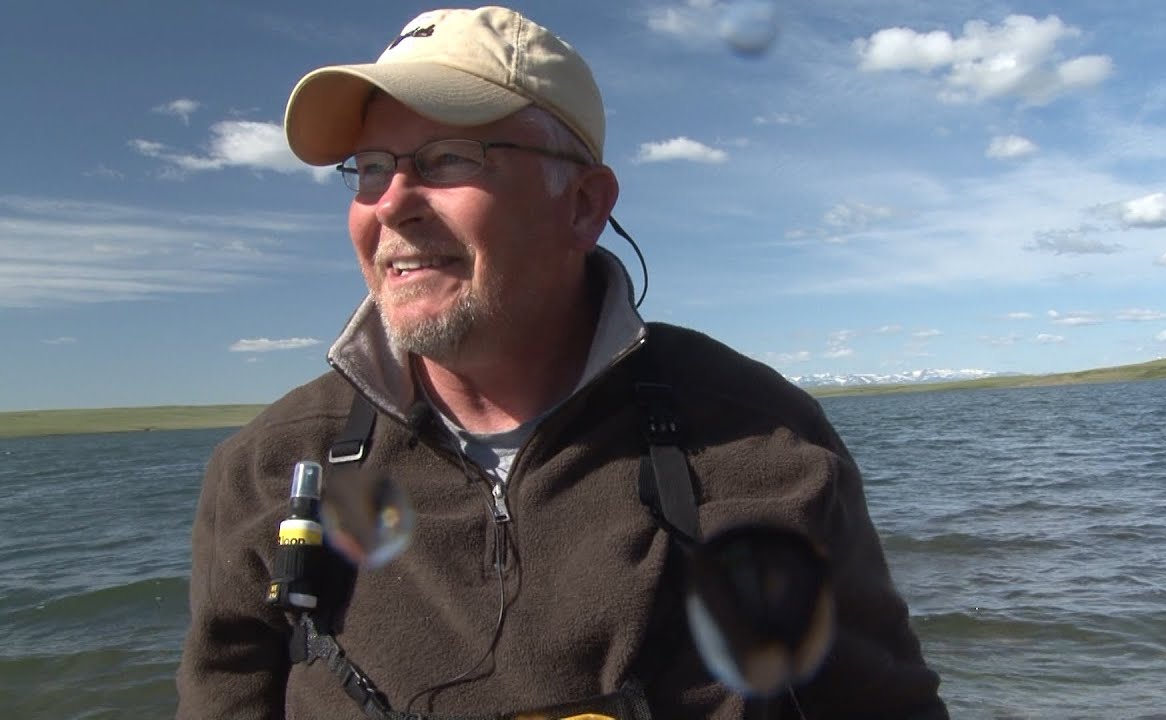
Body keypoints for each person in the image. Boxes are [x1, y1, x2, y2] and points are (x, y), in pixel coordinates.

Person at [176, 6, 949, 719]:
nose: (390, 203)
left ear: (583, 204)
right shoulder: (268, 469)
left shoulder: (764, 439)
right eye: (371, 167)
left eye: (447, 157)